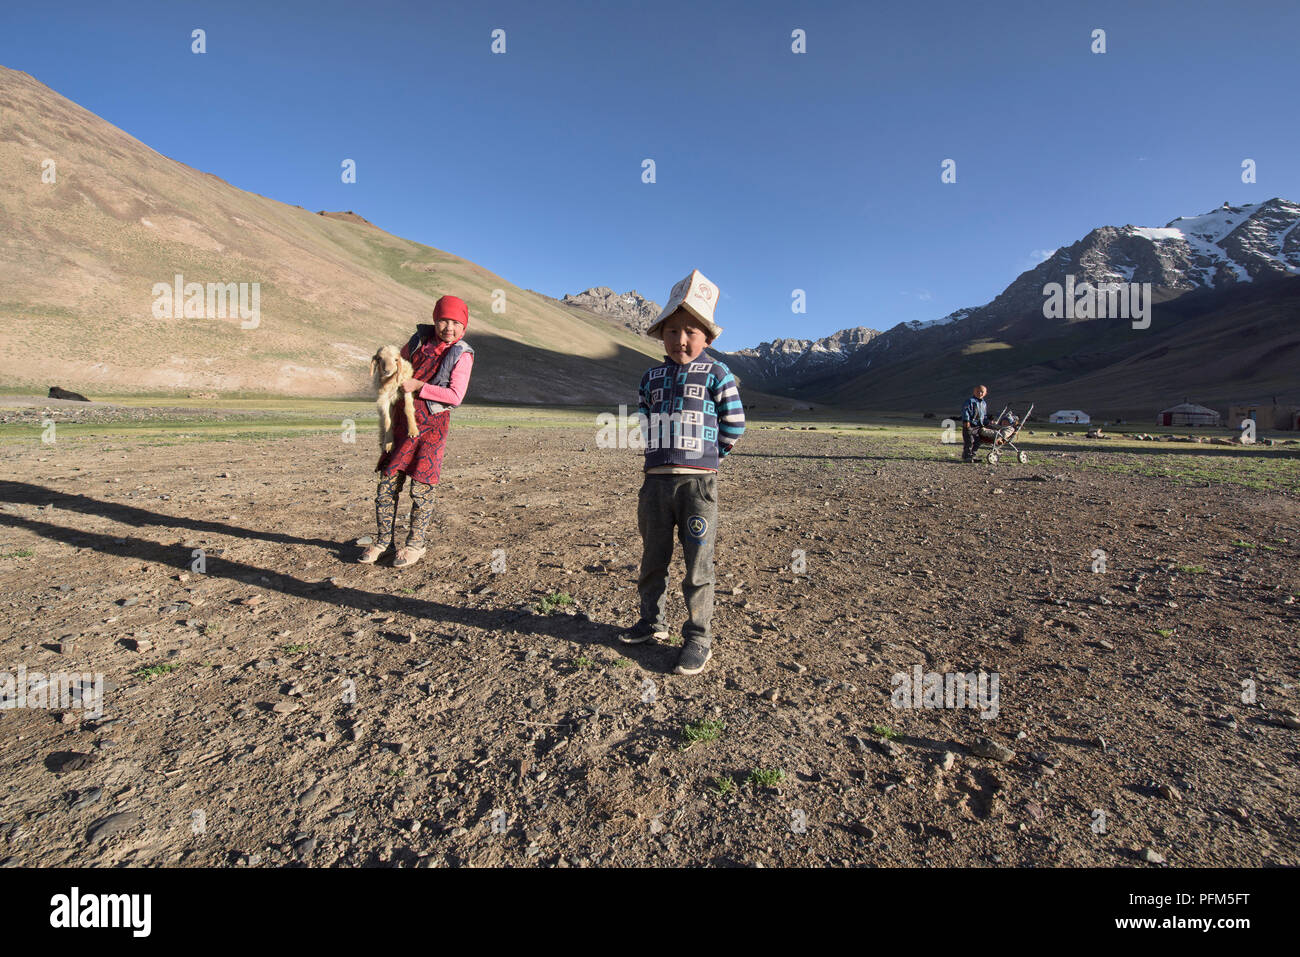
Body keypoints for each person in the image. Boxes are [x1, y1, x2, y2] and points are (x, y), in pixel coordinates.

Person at [621, 269, 744, 676]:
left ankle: (698, 637)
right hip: (655, 481)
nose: (680, 339)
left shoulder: (717, 374)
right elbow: (643, 415)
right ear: (661, 336)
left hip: (697, 483)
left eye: (690, 330)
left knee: (698, 562)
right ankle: (650, 622)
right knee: (653, 555)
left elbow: (735, 423)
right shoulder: (650, 375)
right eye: (672, 330)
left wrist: (712, 458)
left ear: (707, 336)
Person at [359, 295, 474, 567]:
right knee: (387, 484)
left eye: (456, 322)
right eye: (444, 320)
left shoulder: (462, 354)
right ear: (435, 320)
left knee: (421, 489)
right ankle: (382, 542)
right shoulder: (417, 342)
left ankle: (415, 545)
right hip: (402, 423)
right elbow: (399, 365)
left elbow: (455, 396)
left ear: (464, 327)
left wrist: (418, 386)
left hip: (432, 429)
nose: (449, 327)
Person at [961, 384, 989, 462]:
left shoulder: (984, 403)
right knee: (969, 441)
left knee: (978, 441)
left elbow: (984, 415)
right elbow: (965, 411)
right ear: (974, 392)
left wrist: (988, 422)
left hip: (978, 426)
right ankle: (967, 457)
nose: (980, 393)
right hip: (970, 425)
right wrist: (966, 421)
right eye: (978, 391)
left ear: (985, 393)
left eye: (982, 392)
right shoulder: (970, 401)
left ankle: (972, 455)